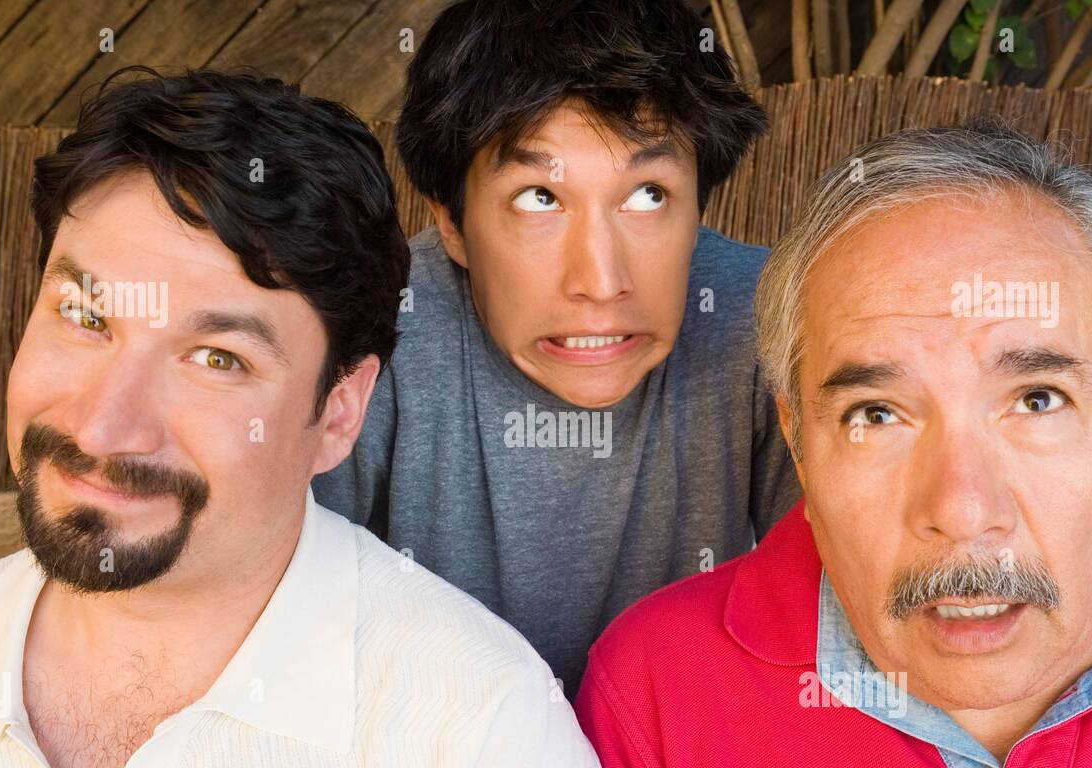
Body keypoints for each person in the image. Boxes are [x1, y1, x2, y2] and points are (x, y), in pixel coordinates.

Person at [0, 67, 620, 768]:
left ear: (339, 413)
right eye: (85, 317)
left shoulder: (483, 744)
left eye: (216, 358)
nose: (105, 425)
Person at [575, 120, 1092, 768]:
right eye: (876, 415)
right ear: (800, 444)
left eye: (1037, 399)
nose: (963, 510)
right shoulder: (657, 695)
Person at [312, 0, 802, 700]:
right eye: (540, 197)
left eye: (648, 194)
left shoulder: (766, 320)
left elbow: (839, 611)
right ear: (451, 221)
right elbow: (282, 624)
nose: (601, 282)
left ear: (701, 207)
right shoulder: (376, 329)